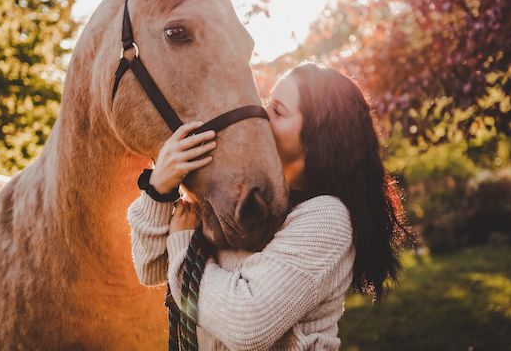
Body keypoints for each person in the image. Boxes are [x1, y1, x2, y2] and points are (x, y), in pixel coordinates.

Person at [127, 63, 413, 350]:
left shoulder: (327, 218)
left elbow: (247, 324)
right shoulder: (244, 193)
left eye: (278, 110)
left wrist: (182, 241)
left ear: (317, 138)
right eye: (267, 102)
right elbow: (152, 268)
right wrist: (159, 189)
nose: (261, 114)